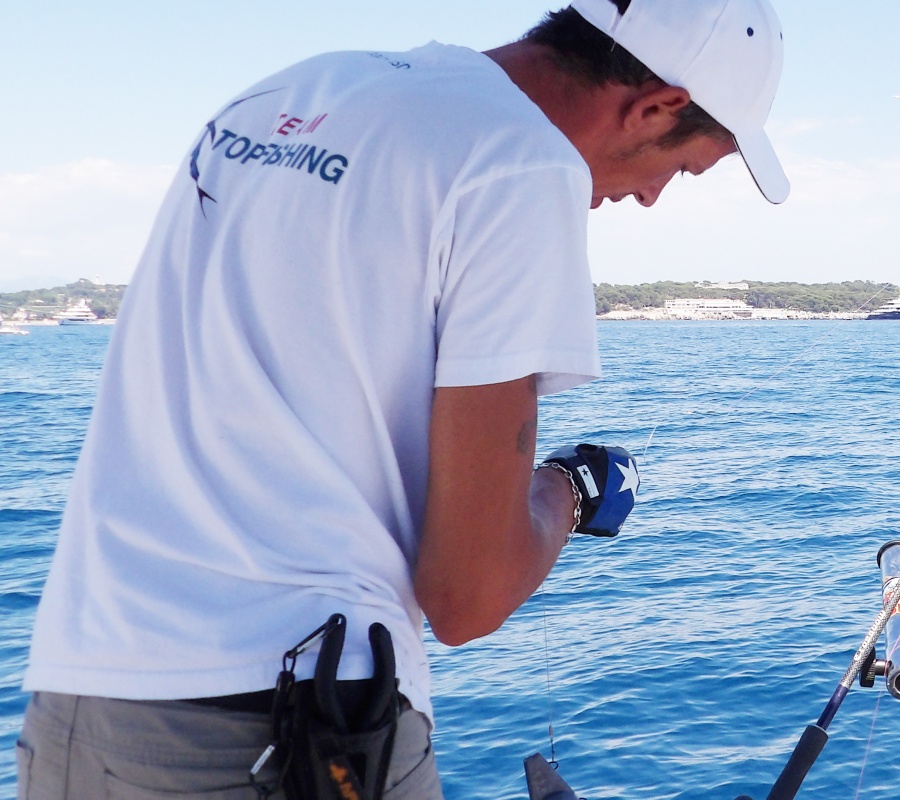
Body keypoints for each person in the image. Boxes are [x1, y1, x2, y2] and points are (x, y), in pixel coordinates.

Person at [17, 0, 787, 797]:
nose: (655, 196)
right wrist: (574, 488)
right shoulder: (522, 162)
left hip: (83, 692)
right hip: (292, 728)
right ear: (655, 106)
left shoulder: (294, 89)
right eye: (686, 167)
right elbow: (465, 596)